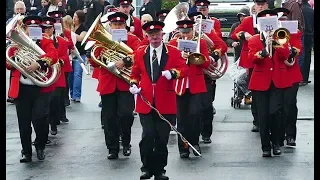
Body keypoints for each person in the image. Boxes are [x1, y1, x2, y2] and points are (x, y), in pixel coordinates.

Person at [130, 20, 188, 180]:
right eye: (151, 36)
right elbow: (134, 74)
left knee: (162, 138)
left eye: (157, 35)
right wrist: (133, 85)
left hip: (166, 102)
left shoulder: (174, 52)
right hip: (145, 101)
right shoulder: (140, 52)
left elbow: (184, 69)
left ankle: (160, 170)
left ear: (162, 35)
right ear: (147, 37)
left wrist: (173, 73)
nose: (155, 38)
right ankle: (146, 168)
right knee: (148, 136)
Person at [88, 12, 141, 159]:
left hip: (125, 83)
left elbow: (138, 54)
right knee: (109, 118)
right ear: (110, 26)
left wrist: (125, 61)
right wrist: (97, 54)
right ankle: (112, 148)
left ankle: (126, 142)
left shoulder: (132, 39)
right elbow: (93, 61)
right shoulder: (102, 41)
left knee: (126, 115)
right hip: (108, 83)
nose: (117, 26)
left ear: (125, 25)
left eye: (120, 24)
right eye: (115, 24)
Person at [6, 15, 58, 162]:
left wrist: (39, 64)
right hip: (22, 89)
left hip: (41, 89)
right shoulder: (16, 43)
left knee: (40, 119)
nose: (33, 29)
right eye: (30, 27)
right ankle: (26, 151)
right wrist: (16, 59)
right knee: (24, 122)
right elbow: (8, 64)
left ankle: (40, 146)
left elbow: (54, 56)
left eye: (36, 27)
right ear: (25, 28)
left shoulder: (45, 40)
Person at [248, 10, 292, 157]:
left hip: (277, 80)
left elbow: (286, 55)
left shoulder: (280, 37)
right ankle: (265, 146)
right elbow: (251, 59)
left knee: (275, 112)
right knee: (263, 115)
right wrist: (263, 52)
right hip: (260, 82)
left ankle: (276, 143)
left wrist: (276, 44)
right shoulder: (254, 39)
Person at [168, 19, 210, 158]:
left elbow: (207, 63)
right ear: (179, 31)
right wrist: (180, 57)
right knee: (182, 118)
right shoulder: (173, 44)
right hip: (179, 85)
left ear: (193, 31)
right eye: (183, 32)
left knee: (195, 114)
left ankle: (194, 141)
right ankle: (183, 147)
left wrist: (195, 57)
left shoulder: (201, 42)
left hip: (195, 84)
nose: (185, 35)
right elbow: (168, 64)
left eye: (188, 32)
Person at [188, 11, 228, 144]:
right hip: (187, 74)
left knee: (206, 105)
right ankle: (192, 133)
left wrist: (213, 56)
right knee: (190, 108)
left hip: (205, 75)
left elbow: (222, 45)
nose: (195, 25)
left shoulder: (208, 34)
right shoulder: (182, 35)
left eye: (197, 22)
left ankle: (206, 132)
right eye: (193, 22)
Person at [230, 0, 269, 132]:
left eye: (263, 4)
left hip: (269, 60)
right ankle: (257, 120)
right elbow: (234, 34)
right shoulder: (247, 21)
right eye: (258, 5)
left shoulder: (273, 18)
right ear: (255, 6)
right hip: (253, 60)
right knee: (255, 91)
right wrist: (243, 34)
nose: (261, 6)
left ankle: (268, 119)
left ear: (267, 5)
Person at [273, 7, 302, 147]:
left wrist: (292, 52)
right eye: (280, 20)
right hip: (277, 75)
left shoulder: (295, 33)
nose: (283, 21)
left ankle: (290, 135)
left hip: (291, 75)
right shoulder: (270, 35)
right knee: (277, 107)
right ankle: (278, 135)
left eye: (285, 19)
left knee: (290, 106)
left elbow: (298, 48)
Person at [7, 1, 28, 104]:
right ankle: (12, 94)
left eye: (21, 9)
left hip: (26, 48)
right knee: (13, 69)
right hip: (14, 47)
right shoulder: (10, 21)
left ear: (25, 9)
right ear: (15, 10)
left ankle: (22, 93)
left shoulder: (28, 20)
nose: (19, 11)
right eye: (17, 9)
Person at [69, 10, 87, 102]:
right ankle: (72, 94)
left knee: (77, 74)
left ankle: (77, 96)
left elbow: (81, 38)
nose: (74, 18)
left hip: (80, 54)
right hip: (71, 54)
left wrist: (70, 33)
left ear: (80, 18)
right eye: (73, 16)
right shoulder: (71, 27)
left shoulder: (83, 28)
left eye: (75, 17)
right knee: (70, 75)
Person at [298, 0, 314, 85]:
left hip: (302, 34)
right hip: (309, 34)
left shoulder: (299, 9)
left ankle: (300, 77)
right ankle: (305, 77)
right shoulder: (311, 11)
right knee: (307, 56)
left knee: (301, 56)